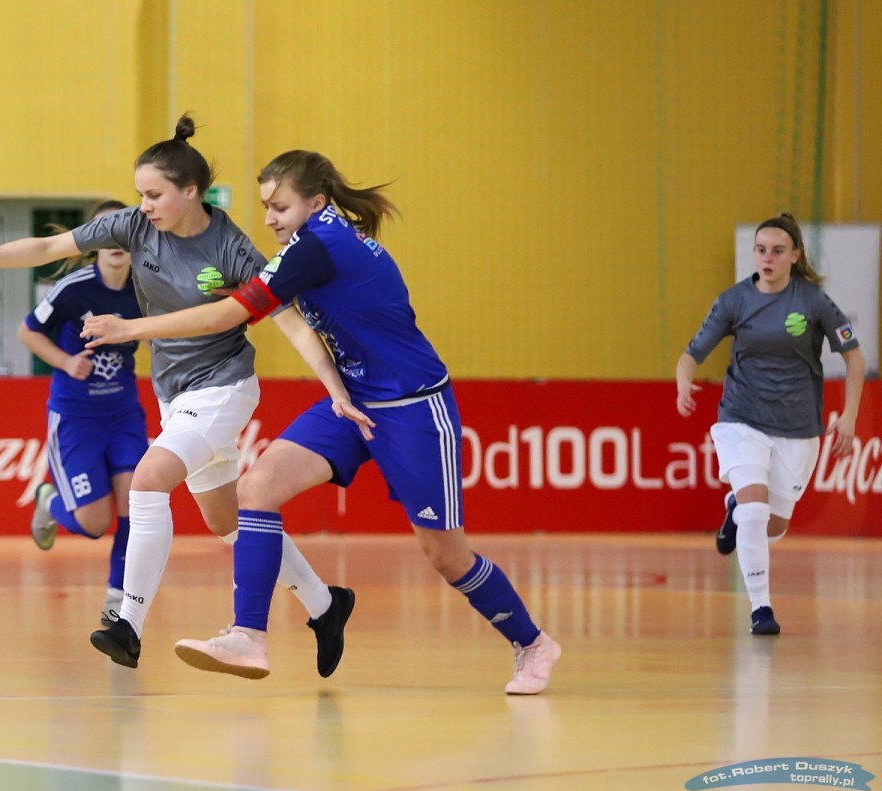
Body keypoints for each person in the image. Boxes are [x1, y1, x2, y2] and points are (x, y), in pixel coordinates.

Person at [82, 150, 561, 694]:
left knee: (446, 556)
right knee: (257, 489)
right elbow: (265, 301)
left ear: (316, 203)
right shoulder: (307, 244)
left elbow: (230, 315)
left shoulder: (318, 246)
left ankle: (533, 643)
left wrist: (130, 328)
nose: (269, 219)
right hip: (352, 399)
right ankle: (248, 635)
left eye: (280, 207)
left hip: (411, 408)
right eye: (265, 206)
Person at [0, 117, 363, 675]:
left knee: (147, 480)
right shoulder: (135, 226)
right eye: (140, 194)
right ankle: (327, 606)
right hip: (175, 394)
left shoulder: (233, 249)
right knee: (229, 523)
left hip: (223, 388)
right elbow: (48, 245)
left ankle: (127, 624)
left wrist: (336, 390)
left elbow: (295, 325)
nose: (145, 205)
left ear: (191, 192)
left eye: (155, 195)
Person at [676, 212, 863, 635]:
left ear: (795, 256)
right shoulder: (734, 301)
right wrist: (684, 382)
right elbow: (691, 354)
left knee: (772, 525)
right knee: (756, 510)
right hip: (742, 418)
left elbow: (854, 358)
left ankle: (735, 508)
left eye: (777, 251)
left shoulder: (813, 302)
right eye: (761, 250)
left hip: (798, 427)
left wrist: (849, 415)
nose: (767, 258)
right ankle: (761, 609)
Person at [21, 200, 145, 628]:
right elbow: (28, 332)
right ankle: (49, 500)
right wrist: (65, 361)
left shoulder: (146, 285)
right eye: (103, 232)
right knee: (94, 523)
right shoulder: (73, 288)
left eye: (121, 231)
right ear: (92, 242)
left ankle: (117, 600)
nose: (114, 241)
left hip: (124, 412)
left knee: (136, 506)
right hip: (76, 417)